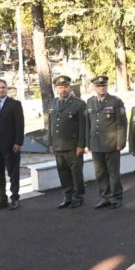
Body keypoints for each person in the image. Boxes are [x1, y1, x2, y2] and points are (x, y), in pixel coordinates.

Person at [86, 75, 127, 209]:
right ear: (94, 87)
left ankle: (116, 197)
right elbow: (88, 124)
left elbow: (122, 123)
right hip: (96, 144)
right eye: (98, 86)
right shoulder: (90, 102)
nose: (101, 88)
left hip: (111, 143)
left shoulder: (115, 102)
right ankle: (105, 198)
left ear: (107, 86)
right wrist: (88, 143)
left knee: (113, 173)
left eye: (103, 86)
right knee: (100, 173)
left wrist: (121, 142)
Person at [47, 76, 87, 209]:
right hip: (58, 146)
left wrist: (81, 145)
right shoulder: (53, 103)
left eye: (65, 87)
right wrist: (50, 143)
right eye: (60, 87)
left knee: (76, 173)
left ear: (70, 88)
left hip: (73, 146)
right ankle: (67, 196)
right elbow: (50, 125)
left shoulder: (79, 104)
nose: (63, 90)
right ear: (56, 89)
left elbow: (83, 126)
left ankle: (78, 197)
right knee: (63, 172)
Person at [0, 79, 24, 211]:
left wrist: (18, 142)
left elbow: (20, 125)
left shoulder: (15, 104)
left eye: (3, 87)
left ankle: (15, 198)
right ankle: (2, 199)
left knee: (13, 173)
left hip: (11, 146)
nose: (1, 90)